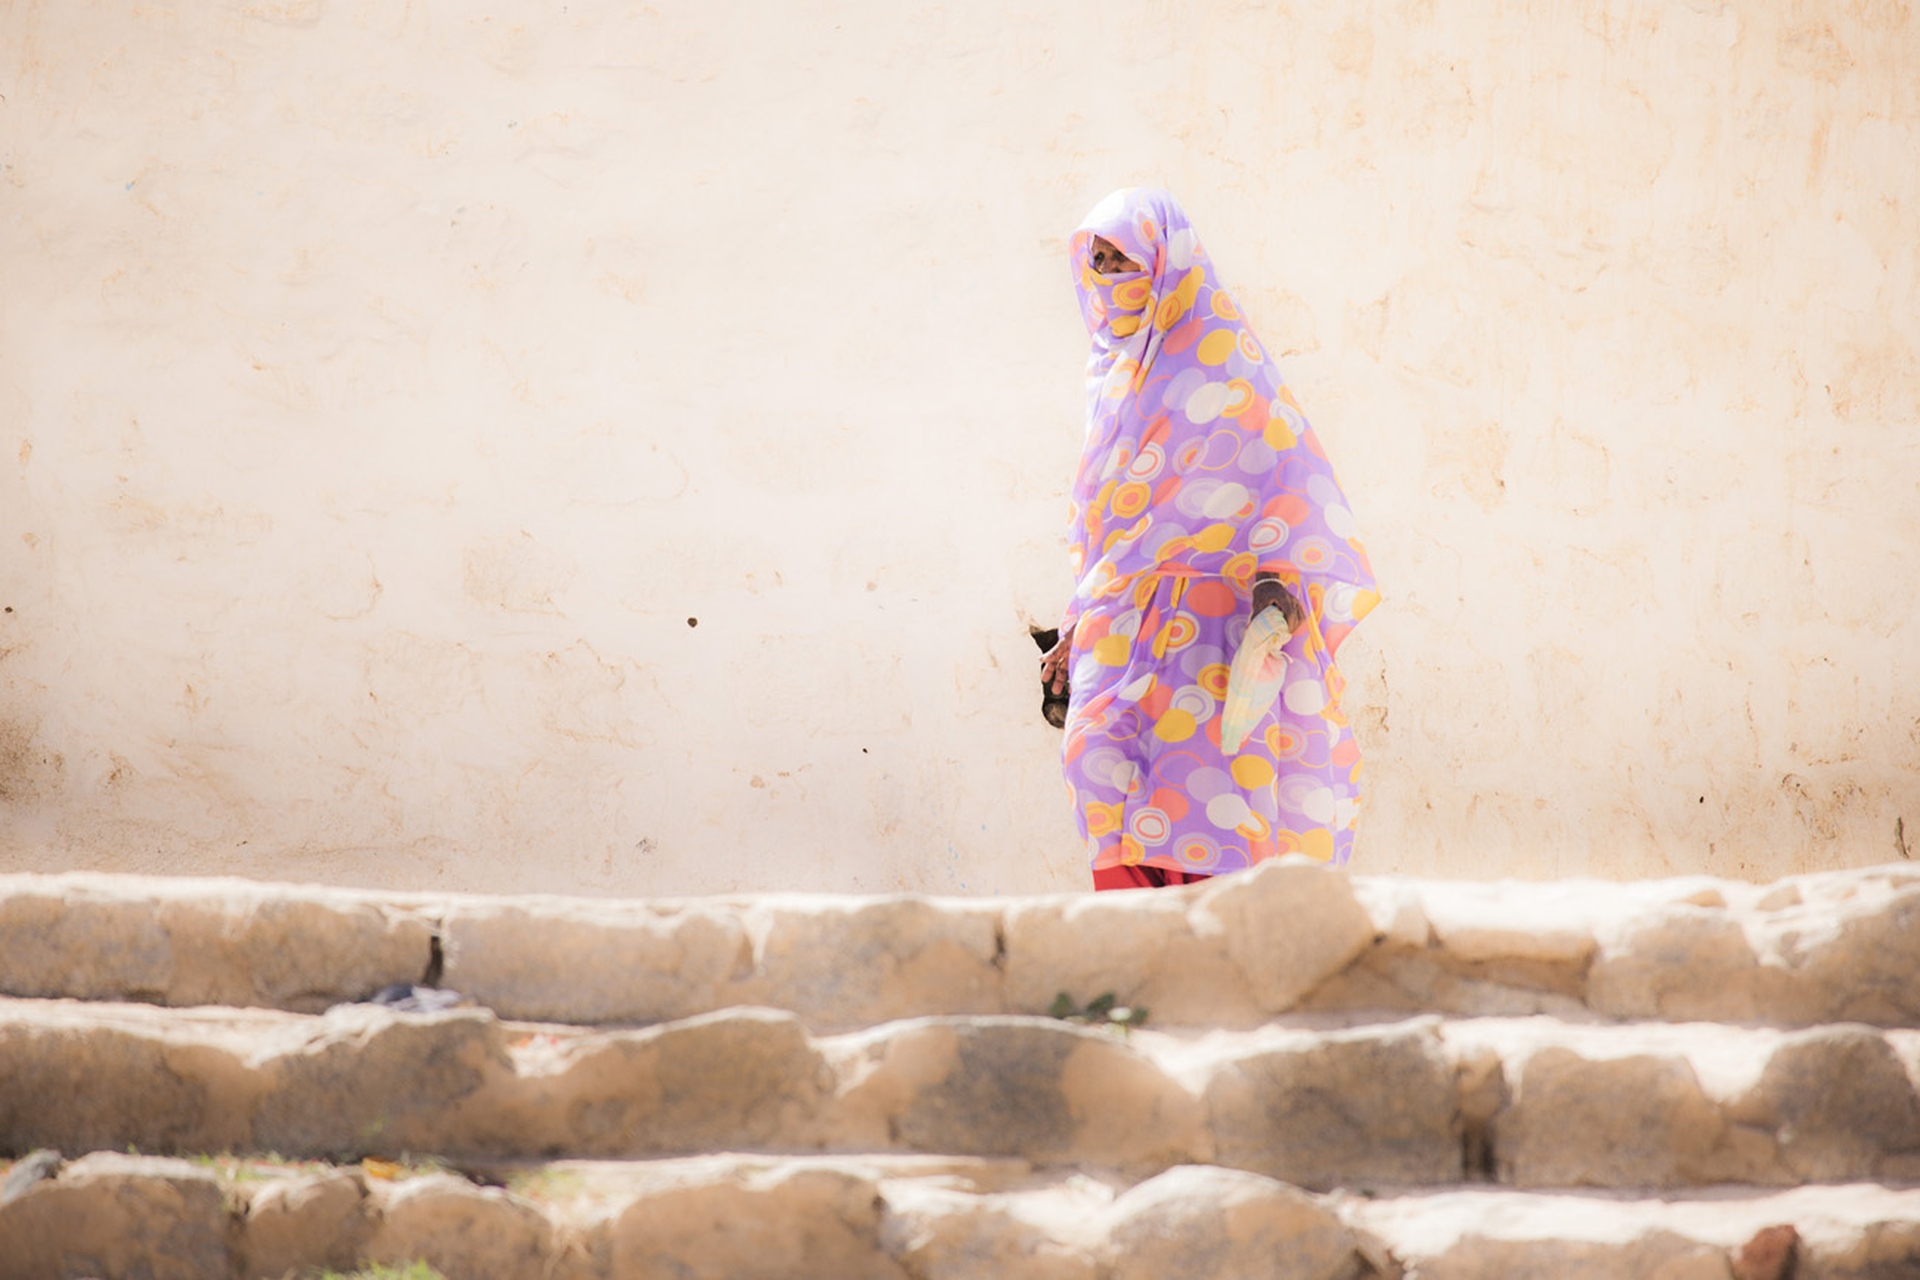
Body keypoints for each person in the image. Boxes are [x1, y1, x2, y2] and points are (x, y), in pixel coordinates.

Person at [1041, 189, 1379, 891]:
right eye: (1098, 263)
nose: (1110, 278)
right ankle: (1136, 959)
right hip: (1120, 617)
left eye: (1124, 261)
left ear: (1167, 265)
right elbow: (1103, 520)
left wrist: (1275, 590)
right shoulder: (1109, 376)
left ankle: (1207, 966)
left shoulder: (1223, 357)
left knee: (1203, 795)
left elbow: (1287, 474)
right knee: (1099, 762)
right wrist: (1076, 624)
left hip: (1214, 622)